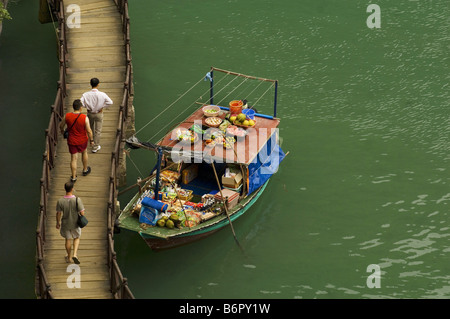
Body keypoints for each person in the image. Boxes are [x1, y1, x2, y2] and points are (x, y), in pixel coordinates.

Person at [60, 99, 94, 182]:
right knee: (84, 152)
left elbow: (61, 126)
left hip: (71, 140)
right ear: (81, 108)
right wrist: (91, 140)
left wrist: (63, 132)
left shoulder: (67, 116)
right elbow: (89, 131)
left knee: (73, 159)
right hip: (82, 140)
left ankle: (74, 177)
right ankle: (85, 169)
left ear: (73, 107)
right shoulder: (84, 118)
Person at [56, 181, 86, 264]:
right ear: (72, 189)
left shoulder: (60, 201)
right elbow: (82, 213)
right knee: (76, 237)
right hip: (75, 223)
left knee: (67, 240)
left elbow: (58, 213)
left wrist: (58, 223)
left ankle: (69, 257)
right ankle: (75, 254)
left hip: (65, 223)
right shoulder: (77, 200)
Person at [80, 77, 113, 153]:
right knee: (98, 130)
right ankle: (95, 146)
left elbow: (80, 103)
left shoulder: (85, 94)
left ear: (90, 84)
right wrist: (102, 106)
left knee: (90, 129)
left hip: (90, 113)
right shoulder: (102, 94)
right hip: (99, 113)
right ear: (98, 84)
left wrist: (87, 107)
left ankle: (91, 142)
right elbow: (110, 102)